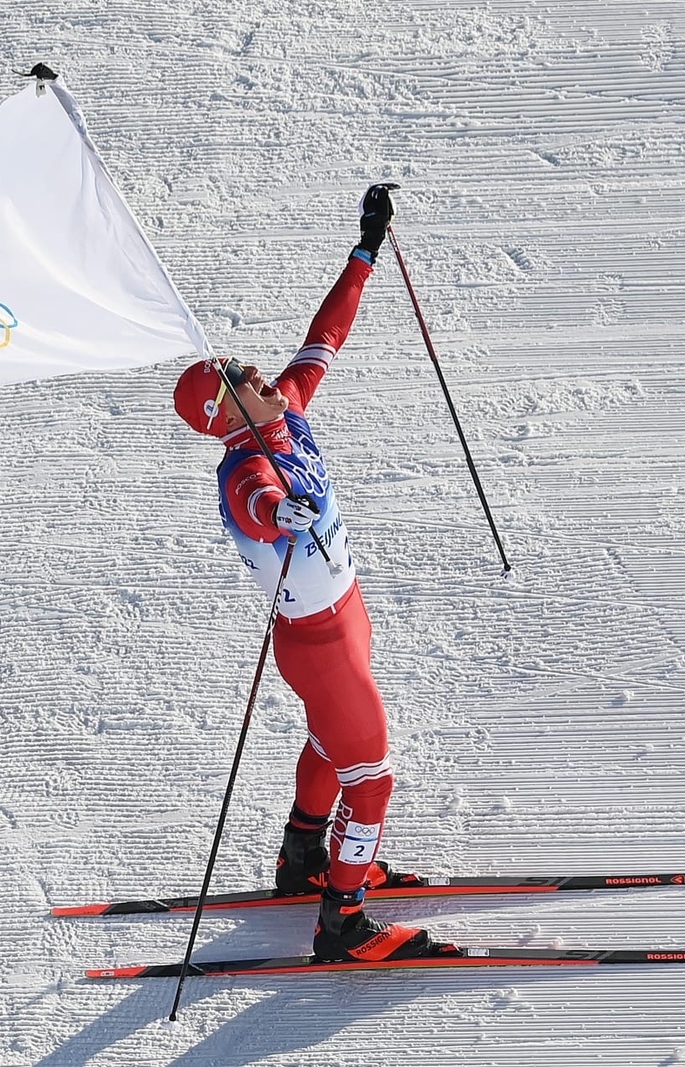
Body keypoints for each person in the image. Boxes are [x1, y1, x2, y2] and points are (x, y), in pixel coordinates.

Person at [172, 185, 453, 963]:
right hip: (316, 640)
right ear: (223, 417)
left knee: (333, 745)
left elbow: (325, 334)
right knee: (373, 782)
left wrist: (366, 250)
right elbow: (255, 503)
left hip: (346, 614)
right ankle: (344, 919)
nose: (255, 367)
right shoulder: (242, 464)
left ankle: (302, 857)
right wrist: (278, 514)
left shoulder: (286, 406)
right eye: (236, 374)